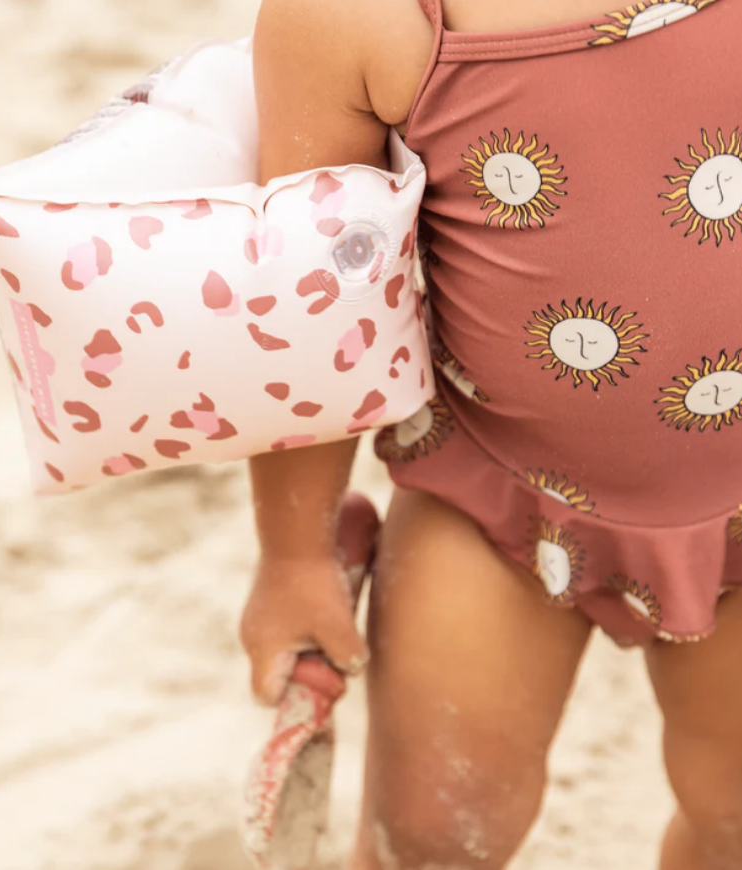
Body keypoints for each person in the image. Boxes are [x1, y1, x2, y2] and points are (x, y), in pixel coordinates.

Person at [239, 0, 742, 867]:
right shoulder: (357, 20)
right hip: (493, 496)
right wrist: (295, 555)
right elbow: (315, 317)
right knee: (433, 835)